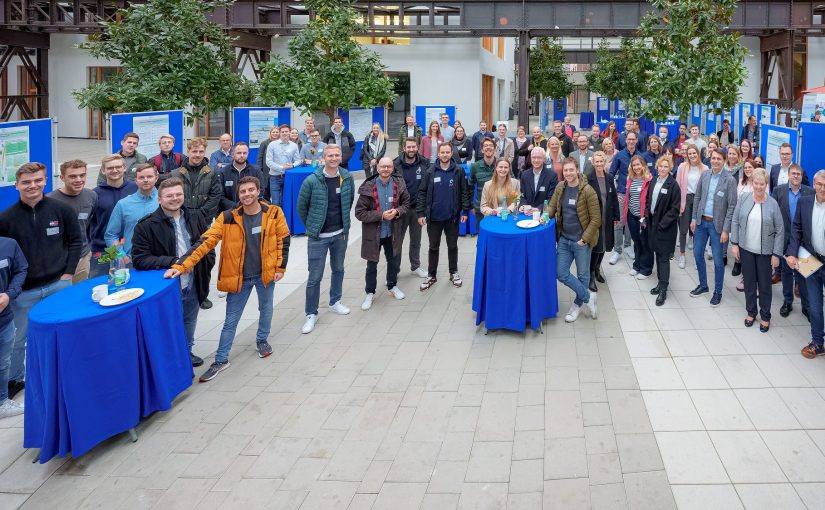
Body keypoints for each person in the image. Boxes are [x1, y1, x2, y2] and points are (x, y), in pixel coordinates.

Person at [168, 176, 290, 381]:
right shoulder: (228, 218)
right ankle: (221, 359)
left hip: (265, 275)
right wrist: (181, 265)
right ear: (238, 195)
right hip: (238, 279)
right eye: (243, 191)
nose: (247, 194)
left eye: (251, 190)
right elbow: (205, 242)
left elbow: (283, 240)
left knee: (266, 309)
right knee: (231, 320)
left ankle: (262, 340)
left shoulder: (274, 213)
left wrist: (280, 267)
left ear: (258, 191)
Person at [0, 162, 81, 399]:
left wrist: (68, 274)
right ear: (16, 185)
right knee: (18, 341)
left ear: (45, 181)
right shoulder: (6, 219)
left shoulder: (61, 210)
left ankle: (65, 371)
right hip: (24, 293)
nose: (32, 186)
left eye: (38, 180)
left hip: (59, 285)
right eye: (26, 182)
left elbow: (75, 241)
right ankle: (15, 380)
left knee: (63, 330)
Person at [131, 177, 210, 368]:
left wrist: (204, 267)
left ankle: (186, 352)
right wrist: (175, 262)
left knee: (189, 320)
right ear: (159, 199)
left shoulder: (196, 216)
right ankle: (167, 361)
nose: (175, 199)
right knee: (166, 325)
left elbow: (208, 245)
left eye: (178, 194)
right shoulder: (146, 226)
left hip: (193, 282)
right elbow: (140, 259)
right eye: (169, 196)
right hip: (167, 286)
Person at [297, 144, 355, 334]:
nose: (334, 158)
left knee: (338, 269)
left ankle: (335, 301)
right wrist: (313, 226)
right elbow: (301, 208)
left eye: (337, 155)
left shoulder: (346, 177)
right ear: (324, 157)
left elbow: (349, 201)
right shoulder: (312, 181)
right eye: (330, 155)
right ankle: (311, 313)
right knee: (315, 276)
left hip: (339, 234)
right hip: (318, 237)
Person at [546, 158, 601, 322]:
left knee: (583, 275)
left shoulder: (588, 191)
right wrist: (543, 216)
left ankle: (577, 306)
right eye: (565, 170)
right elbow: (552, 207)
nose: (568, 173)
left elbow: (596, 219)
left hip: (581, 241)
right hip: (564, 239)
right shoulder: (560, 187)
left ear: (577, 170)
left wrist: (584, 240)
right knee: (560, 273)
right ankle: (588, 297)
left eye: (571, 170)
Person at [730, 167, 783, 332]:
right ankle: (751, 312)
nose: (759, 187)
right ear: (752, 183)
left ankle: (765, 316)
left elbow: (780, 230)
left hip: (765, 253)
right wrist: (735, 243)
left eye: (762, 184)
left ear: (766, 184)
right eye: (756, 183)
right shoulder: (745, 198)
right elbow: (736, 220)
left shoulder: (773, 204)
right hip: (746, 250)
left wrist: (776, 254)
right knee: (750, 284)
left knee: (765, 286)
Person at [171, 137, 221, 309]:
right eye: (194, 151)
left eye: (201, 151)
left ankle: (203, 294)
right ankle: (180, 292)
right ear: (188, 151)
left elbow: (215, 196)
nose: (198, 155)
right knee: (184, 255)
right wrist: (187, 213)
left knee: (206, 258)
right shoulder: (177, 173)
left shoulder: (212, 172)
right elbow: (175, 196)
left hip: (204, 222)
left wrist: (200, 214)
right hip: (182, 220)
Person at [355, 157, 411, 310]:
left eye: (389, 167)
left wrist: (398, 211)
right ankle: (370, 293)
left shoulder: (399, 185)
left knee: (393, 261)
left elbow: (406, 203)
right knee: (371, 264)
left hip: (392, 232)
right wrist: (380, 215)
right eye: (383, 166)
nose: (386, 169)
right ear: (377, 168)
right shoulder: (368, 186)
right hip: (374, 233)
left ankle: (392, 286)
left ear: (393, 168)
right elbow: (359, 213)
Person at [417, 143, 471, 291]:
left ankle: (453, 272)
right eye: (443, 152)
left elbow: (465, 192)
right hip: (434, 219)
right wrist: (421, 213)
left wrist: (465, 212)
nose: (445, 154)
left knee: (452, 246)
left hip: (451, 218)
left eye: (448, 152)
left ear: (451, 153)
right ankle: (431, 275)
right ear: (438, 154)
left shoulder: (458, 171)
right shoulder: (430, 171)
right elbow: (421, 193)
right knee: (433, 247)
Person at [690, 148, 738, 306]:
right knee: (697, 254)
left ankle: (718, 291)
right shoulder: (705, 175)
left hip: (717, 226)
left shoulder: (729, 180)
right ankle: (703, 285)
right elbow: (697, 197)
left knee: (718, 261)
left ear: (724, 160)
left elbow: (732, 206)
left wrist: (726, 229)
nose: (715, 161)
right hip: (701, 222)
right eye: (713, 158)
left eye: (719, 159)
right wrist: (693, 218)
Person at [787, 170, 825, 358]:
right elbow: (797, 228)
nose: (822, 188)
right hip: (811, 260)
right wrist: (792, 253)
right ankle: (818, 343)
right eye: (819, 184)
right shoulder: (805, 202)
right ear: (814, 185)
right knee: (815, 305)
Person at [774, 163, 813, 319]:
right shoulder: (778, 191)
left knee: (804, 276)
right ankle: (788, 302)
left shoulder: (810, 192)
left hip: (804, 243)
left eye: (799, 174)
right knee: (787, 274)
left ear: (802, 176)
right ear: (788, 174)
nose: (796, 176)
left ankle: (807, 306)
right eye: (794, 173)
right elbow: (774, 215)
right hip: (784, 241)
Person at [89, 154, 138, 278]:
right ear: (103, 171)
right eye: (110, 168)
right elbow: (89, 223)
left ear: (124, 168)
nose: (114, 170)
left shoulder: (135, 188)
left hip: (130, 249)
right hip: (103, 251)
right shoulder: (95, 194)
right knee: (101, 285)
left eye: (118, 167)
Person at [48, 160, 96, 283]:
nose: (78, 179)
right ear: (62, 177)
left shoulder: (91, 196)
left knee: (79, 295)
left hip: (82, 258)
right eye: (73, 176)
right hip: (58, 262)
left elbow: (89, 224)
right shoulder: (49, 201)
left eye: (82, 175)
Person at [645, 156, 681, 306]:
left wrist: (661, 224)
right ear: (657, 167)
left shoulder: (673, 185)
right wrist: (647, 215)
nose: (663, 169)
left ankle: (664, 290)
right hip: (653, 224)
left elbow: (675, 209)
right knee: (657, 254)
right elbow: (648, 200)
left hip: (665, 228)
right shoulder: (654, 181)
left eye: (666, 167)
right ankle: (660, 283)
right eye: (661, 166)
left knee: (664, 258)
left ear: (670, 168)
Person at [104, 163, 159, 257]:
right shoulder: (123, 204)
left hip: (161, 260)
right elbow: (110, 236)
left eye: (149, 177)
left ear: (156, 178)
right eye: (141, 177)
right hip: (131, 261)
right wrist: (120, 256)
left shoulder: (166, 201)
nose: (145, 180)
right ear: (136, 181)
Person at [393, 138, 428, 277]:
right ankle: (394, 271)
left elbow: (426, 188)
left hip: (417, 210)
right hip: (400, 210)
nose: (411, 149)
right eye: (409, 147)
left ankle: (415, 266)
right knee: (397, 242)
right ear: (404, 148)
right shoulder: (395, 164)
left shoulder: (424, 163)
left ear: (417, 147)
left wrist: (423, 210)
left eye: (414, 147)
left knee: (416, 240)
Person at [0, 235, 26, 418]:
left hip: (4, 318)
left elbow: (21, 269)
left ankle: (2, 401)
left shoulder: (8, 244)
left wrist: (9, 294)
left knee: (3, 362)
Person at [586, 151, 619, 292]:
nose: (599, 164)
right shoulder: (588, 178)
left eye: (601, 161)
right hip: (594, 219)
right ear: (593, 163)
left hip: (608, 217)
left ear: (605, 163)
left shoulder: (610, 178)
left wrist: (616, 216)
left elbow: (614, 198)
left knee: (605, 244)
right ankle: (591, 274)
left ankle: (598, 268)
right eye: (597, 161)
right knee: (595, 246)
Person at [608, 131, 642, 263]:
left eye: (633, 139)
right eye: (629, 139)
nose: (631, 141)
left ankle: (628, 246)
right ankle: (617, 250)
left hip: (635, 194)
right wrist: (615, 193)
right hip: (621, 193)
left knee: (631, 222)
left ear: (637, 140)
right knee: (619, 221)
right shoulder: (619, 155)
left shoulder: (641, 156)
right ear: (626, 140)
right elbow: (611, 174)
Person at [675, 144, 708, 269]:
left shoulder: (705, 168)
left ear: (698, 154)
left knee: (697, 230)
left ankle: (696, 257)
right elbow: (678, 185)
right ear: (687, 155)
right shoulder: (682, 167)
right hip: (685, 199)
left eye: (694, 153)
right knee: (683, 229)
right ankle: (682, 255)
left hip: (698, 200)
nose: (692, 155)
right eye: (690, 154)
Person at [623, 155, 654, 279]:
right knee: (636, 241)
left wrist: (646, 216)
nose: (636, 167)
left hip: (643, 216)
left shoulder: (649, 179)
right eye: (634, 165)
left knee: (645, 242)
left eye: (638, 164)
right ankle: (637, 265)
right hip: (632, 215)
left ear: (643, 165)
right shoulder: (630, 178)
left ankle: (646, 269)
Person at [218, 141, 267, 211]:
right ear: (232, 154)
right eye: (239, 153)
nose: (242, 155)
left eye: (244, 153)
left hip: (250, 211)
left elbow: (261, 190)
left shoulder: (256, 171)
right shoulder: (223, 172)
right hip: (229, 211)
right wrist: (236, 206)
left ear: (248, 154)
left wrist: (247, 205)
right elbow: (220, 195)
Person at [265, 124, 302, 206]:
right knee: (275, 202)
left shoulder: (294, 146)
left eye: (286, 131)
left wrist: (292, 165)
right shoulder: (272, 145)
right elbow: (268, 162)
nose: (285, 133)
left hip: (288, 176)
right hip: (275, 177)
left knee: (286, 201)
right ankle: (276, 218)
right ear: (279, 133)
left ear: (289, 132)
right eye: (282, 132)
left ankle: (285, 218)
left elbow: (298, 160)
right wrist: (282, 167)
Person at [469, 138, 497, 228]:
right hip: (481, 208)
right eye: (485, 146)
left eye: (491, 146)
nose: (488, 148)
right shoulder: (475, 166)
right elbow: (470, 187)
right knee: (482, 237)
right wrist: (472, 205)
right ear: (482, 150)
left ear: (495, 149)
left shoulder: (502, 165)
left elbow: (512, 184)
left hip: (500, 208)